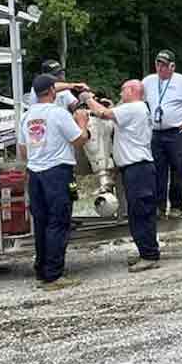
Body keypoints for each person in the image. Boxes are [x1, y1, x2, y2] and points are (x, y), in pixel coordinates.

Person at [89, 80, 160, 271]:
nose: (120, 93)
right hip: (140, 169)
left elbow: (103, 114)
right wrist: (112, 108)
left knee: (140, 213)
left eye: (122, 90)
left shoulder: (134, 108)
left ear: (132, 91)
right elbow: (114, 114)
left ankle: (149, 256)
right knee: (143, 212)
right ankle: (148, 251)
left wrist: (87, 98)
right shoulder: (138, 109)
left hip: (137, 169)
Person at [21, 73, 83, 289]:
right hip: (57, 172)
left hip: (35, 173)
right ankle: (54, 274)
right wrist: (83, 124)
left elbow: (22, 149)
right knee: (58, 222)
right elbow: (78, 140)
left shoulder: (27, 116)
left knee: (41, 222)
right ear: (52, 91)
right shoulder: (58, 114)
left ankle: (41, 268)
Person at [143, 49, 182, 217]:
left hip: (177, 132)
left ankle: (177, 206)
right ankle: (158, 206)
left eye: (164, 65)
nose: (160, 68)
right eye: (158, 64)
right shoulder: (149, 81)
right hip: (156, 132)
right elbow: (136, 99)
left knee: (179, 168)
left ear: (172, 66)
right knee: (157, 170)